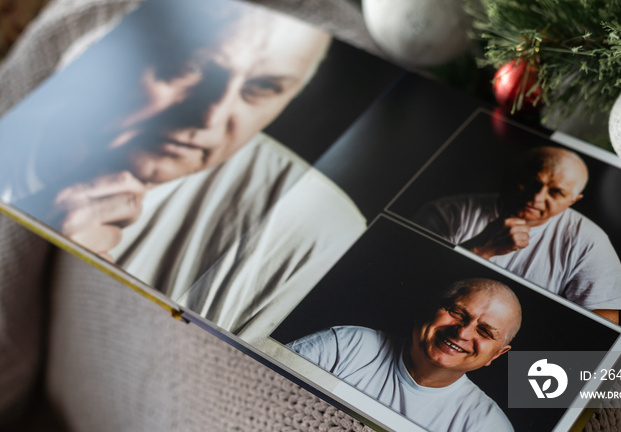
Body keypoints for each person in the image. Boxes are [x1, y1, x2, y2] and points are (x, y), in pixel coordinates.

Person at [0, 0, 365, 333]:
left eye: (262, 88)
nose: (210, 117)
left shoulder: (312, 230)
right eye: (192, 67)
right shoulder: (42, 80)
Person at [288, 278, 521, 432]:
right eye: (457, 313)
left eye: (485, 331)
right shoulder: (347, 345)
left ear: (496, 355)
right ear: (428, 310)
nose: (462, 333)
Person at [413, 146, 621, 324]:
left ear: (573, 201)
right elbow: (410, 279)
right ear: (513, 176)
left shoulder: (590, 241)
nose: (536, 197)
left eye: (556, 192)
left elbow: (604, 325)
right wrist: (481, 248)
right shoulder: (445, 212)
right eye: (532, 183)